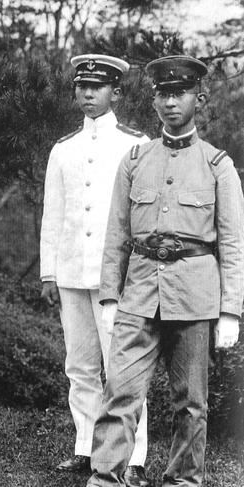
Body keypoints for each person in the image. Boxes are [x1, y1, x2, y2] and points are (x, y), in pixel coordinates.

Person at [86, 55, 244, 487]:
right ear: (153, 100)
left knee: (190, 402)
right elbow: (116, 234)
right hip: (138, 292)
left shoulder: (218, 166)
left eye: (180, 93)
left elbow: (232, 244)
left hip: (195, 295)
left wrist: (230, 311)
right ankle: (104, 478)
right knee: (120, 391)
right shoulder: (135, 161)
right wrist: (109, 297)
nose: (170, 102)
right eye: (163, 94)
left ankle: (183, 481)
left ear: (200, 98)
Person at [40, 54, 150, 486]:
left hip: (117, 276)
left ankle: (134, 455)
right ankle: (86, 446)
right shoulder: (62, 149)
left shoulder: (134, 144)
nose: (88, 94)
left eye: (98, 87)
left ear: (116, 92)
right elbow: (53, 214)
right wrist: (49, 272)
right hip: (70, 272)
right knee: (80, 366)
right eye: (82, 87)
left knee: (123, 367)